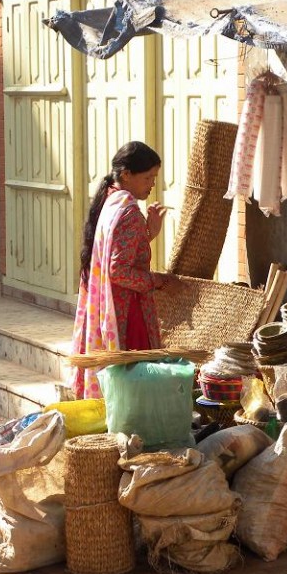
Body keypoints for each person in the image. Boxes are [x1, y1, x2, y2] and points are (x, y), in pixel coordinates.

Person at [70, 141, 175, 399]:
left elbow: (116, 254)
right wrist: (158, 280)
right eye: (148, 177)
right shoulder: (127, 211)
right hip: (128, 313)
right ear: (126, 175)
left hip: (115, 306)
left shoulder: (111, 200)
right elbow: (119, 271)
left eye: (154, 177)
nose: (152, 184)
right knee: (135, 381)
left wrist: (149, 231)